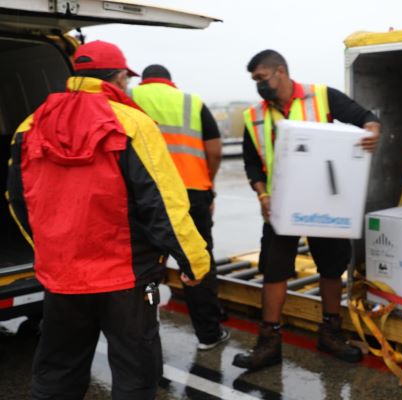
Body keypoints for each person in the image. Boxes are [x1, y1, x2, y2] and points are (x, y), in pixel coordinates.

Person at [6, 40, 210, 400]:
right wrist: (193, 260)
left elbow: (18, 200)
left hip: (63, 278)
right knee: (135, 375)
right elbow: (163, 203)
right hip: (125, 278)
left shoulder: (30, 124)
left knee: (57, 374)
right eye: (125, 79)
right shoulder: (133, 123)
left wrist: (49, 248)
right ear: (117, 78)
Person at [233, 49, 381, 371]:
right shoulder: (253, 117)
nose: (258, 85)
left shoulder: (322, 97)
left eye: (262, 78)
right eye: (255, 80)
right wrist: (262, 196)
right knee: (274, 270)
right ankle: (268, 343)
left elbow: (364, 116)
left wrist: (372, 129)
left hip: (323, 201)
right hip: (280, 205)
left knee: (331, 267)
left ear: (281, 72)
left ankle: (330, 333)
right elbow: (251, 163)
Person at [131, 64, 229, 350]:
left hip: (146, 195)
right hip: (192, 193)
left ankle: (148, 330)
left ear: (144, 80)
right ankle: (208, 334)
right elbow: (214, 151)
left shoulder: (128, 99)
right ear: (169, 82)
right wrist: (208, 188)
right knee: (198, 263)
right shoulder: (191, 102)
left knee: (147, 269)